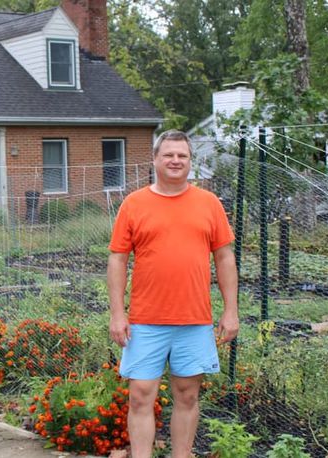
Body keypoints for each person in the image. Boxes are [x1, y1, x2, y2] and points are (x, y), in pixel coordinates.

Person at [107, 130, 239, 458]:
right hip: (145, 320)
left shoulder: (208, 204)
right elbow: (117, 259)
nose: (175, 161)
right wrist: (117, 313)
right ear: (155, 159)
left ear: (190, 161)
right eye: (169, 155)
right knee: (140, 395)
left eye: (182, 155)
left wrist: (230, 310)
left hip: (193, 319)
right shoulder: (134, 204)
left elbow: (224, 258)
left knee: (187, 395)